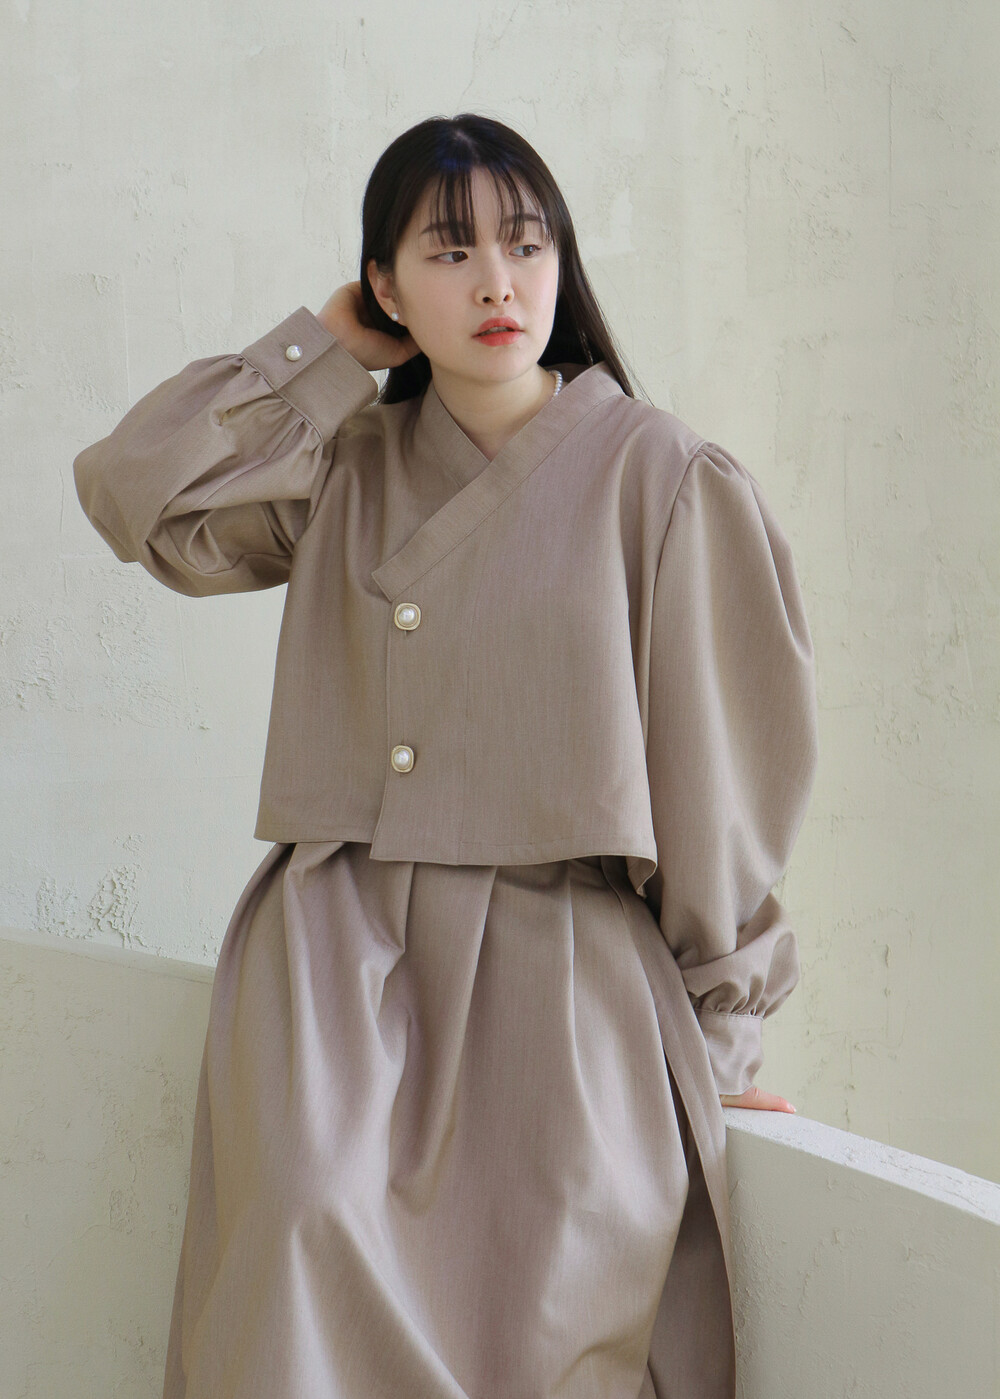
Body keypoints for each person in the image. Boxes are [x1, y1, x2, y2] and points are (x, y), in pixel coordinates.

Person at [73, 113, 818, 1399]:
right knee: (295, 1252)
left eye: (526, 247)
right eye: (449, 250)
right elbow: (135, 492)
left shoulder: (662, 476)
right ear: (385, 286)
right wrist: (319, 357)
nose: (495, 283)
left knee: (555, 1315)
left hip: (568, 972)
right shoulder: (340, 464)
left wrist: (725, 1038)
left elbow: (722, 783)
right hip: (337, 960)